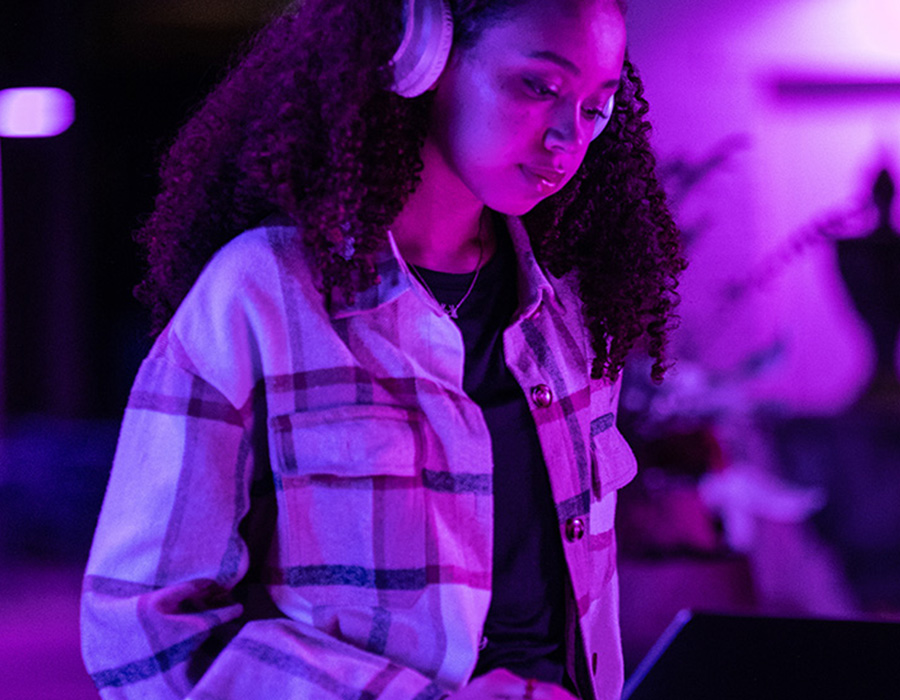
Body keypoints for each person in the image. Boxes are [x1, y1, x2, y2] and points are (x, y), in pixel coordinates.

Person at [81, 0, 685, 698]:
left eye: (595, 107)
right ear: (423, 59)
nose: (566, 136)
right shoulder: (264, 294)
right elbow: (141, 634)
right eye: (539, 87)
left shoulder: (573, 310)